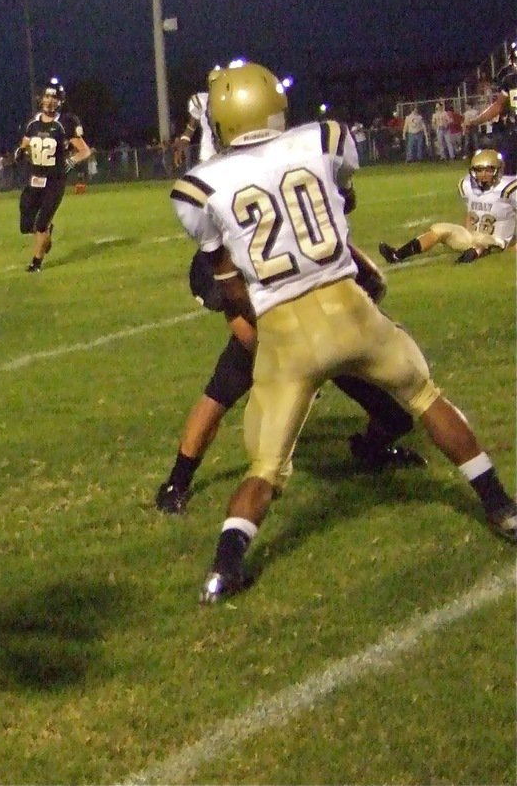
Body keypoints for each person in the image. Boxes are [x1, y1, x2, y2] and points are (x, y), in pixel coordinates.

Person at [169, 61, 517, 605]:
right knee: (427, 399)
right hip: (351, 310)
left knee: (265, 468)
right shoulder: (324, 138)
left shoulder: (197, 188)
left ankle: (223, 571)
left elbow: (230, 286)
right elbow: (344, 199)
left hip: (284, 332)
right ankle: (500, 506)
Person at [154, 248, 425, 515]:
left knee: (398, 419)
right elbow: (249, 341)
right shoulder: (240, 295)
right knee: (216, 398)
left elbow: (374, 282)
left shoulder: (292, 261)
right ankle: (177, 483)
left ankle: (372, 449)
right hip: (272, 337)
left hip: (324, 333)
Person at [379, 148, 515, 265]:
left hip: (497, 241)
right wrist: (467, 233)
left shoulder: (508, 188)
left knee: (482, 241)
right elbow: (471, 213)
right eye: (479, 170)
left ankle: (465, 261)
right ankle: (397, 255)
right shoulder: (467, 186)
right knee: (439, 229)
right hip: (473, 236)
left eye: (489, 170)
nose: (483, 175)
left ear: (498, 170)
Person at [15, 77, 92, 273]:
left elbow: (85, 151)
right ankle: (46, 233)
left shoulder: (64, 123)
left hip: (54, 181)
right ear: (41, 98)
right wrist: (20, 152)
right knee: (27, 225)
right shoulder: (32, 123)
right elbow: (25, 145)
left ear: (60, 101)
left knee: (41, 224)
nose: (49, 100)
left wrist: (71, 161)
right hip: (34, 179)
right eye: (47, 96)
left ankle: (36, 262)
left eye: (54, 97)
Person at [464, 48, 517, 174]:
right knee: (508, 172)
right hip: (515, 132)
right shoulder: (510, 80)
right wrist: (475, 121)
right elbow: (497, 107)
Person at [172, 84, 218, 167]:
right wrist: (184, 140)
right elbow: (191, 126)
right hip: (209, 154)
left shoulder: (240, 98)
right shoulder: (204, 100)